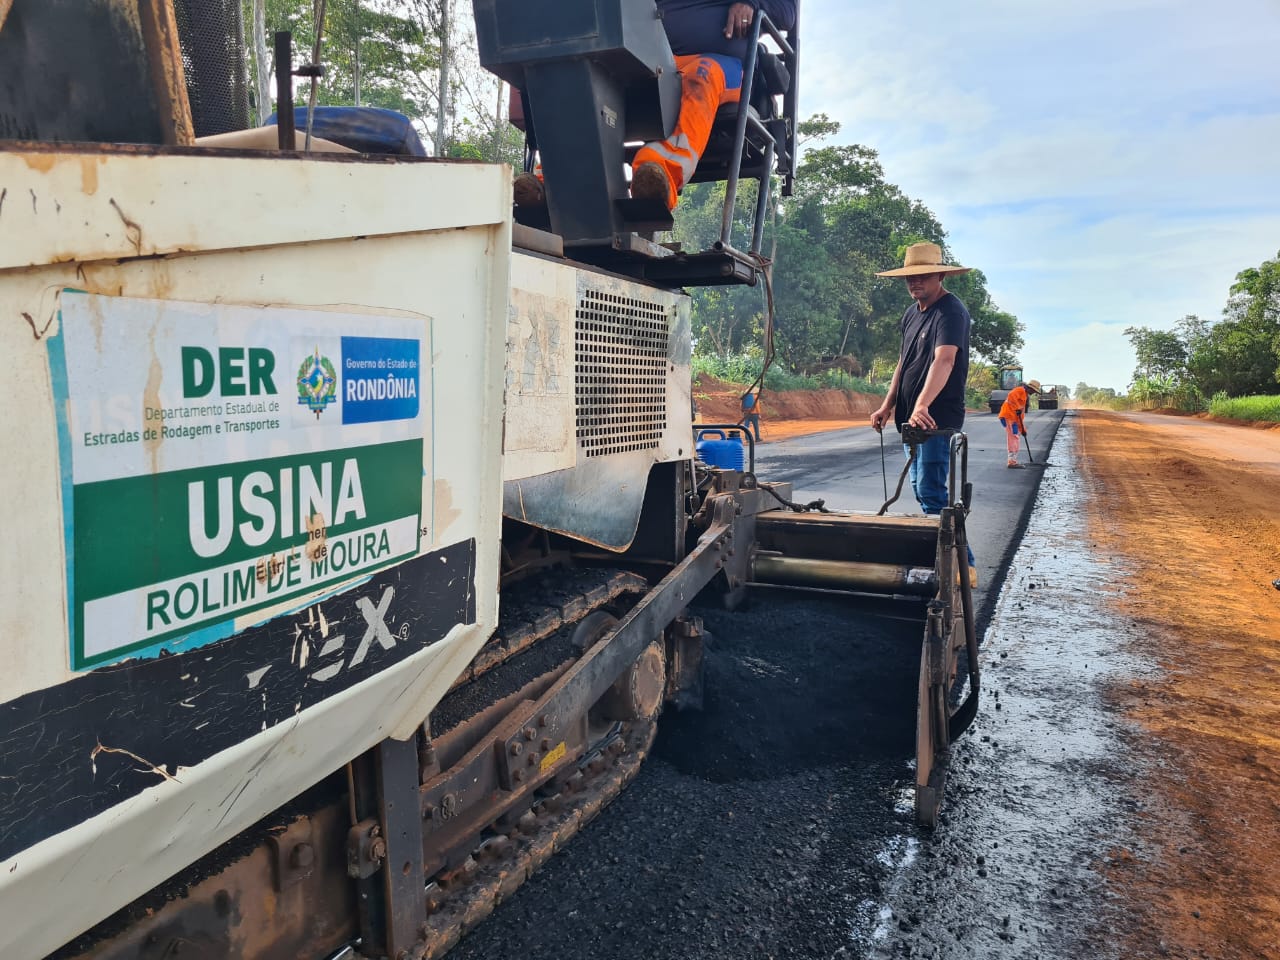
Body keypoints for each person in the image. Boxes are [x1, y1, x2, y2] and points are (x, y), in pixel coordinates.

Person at [514, 0, 797, 211]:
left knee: (703, 75)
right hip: (655, 65)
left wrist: (750, 3)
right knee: (591, 81)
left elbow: (786, 12)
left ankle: (660, 176)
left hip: (725, 67)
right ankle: (549, 181)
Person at [869, 242, 976, 583]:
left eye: (923, 277)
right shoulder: (912, 313)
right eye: (910, 278)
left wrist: (922, 404)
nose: (915, 283)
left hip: (935, 418)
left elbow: (944, 360)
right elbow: (904, 362)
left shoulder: (951, 312)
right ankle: (954, 561)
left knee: (931, 492)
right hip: (910, 419)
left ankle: (964, 567)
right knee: (921, 489)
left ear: (941, 275)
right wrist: (888, 404)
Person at [999, 379, 1040, 468]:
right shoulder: (1020, 390)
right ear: (1030, 388)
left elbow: (1020, 415)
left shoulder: (1025, 395)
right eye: (1033, 390)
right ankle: (1012, 462)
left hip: (1013, 418)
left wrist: (1023, 430)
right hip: (1008, 416)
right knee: (1013, 438)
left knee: (1015, 437)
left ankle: (1013, 460)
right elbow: (1011, 396)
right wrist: (1017, 408)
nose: (1033, 392)